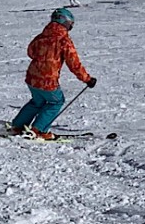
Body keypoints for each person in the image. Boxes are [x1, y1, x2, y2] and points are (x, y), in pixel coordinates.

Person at [8, 8, 96, 140]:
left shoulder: (42, 36)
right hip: (48, 80)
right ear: (65, 23)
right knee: (56, 102)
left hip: (32, 78)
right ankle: (38, 130)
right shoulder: (64, 40)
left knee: (37, 102)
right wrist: (87, 79)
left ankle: (18, 126)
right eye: (70, 24)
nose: (70, 27)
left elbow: (31, 52)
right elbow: (74, 63)